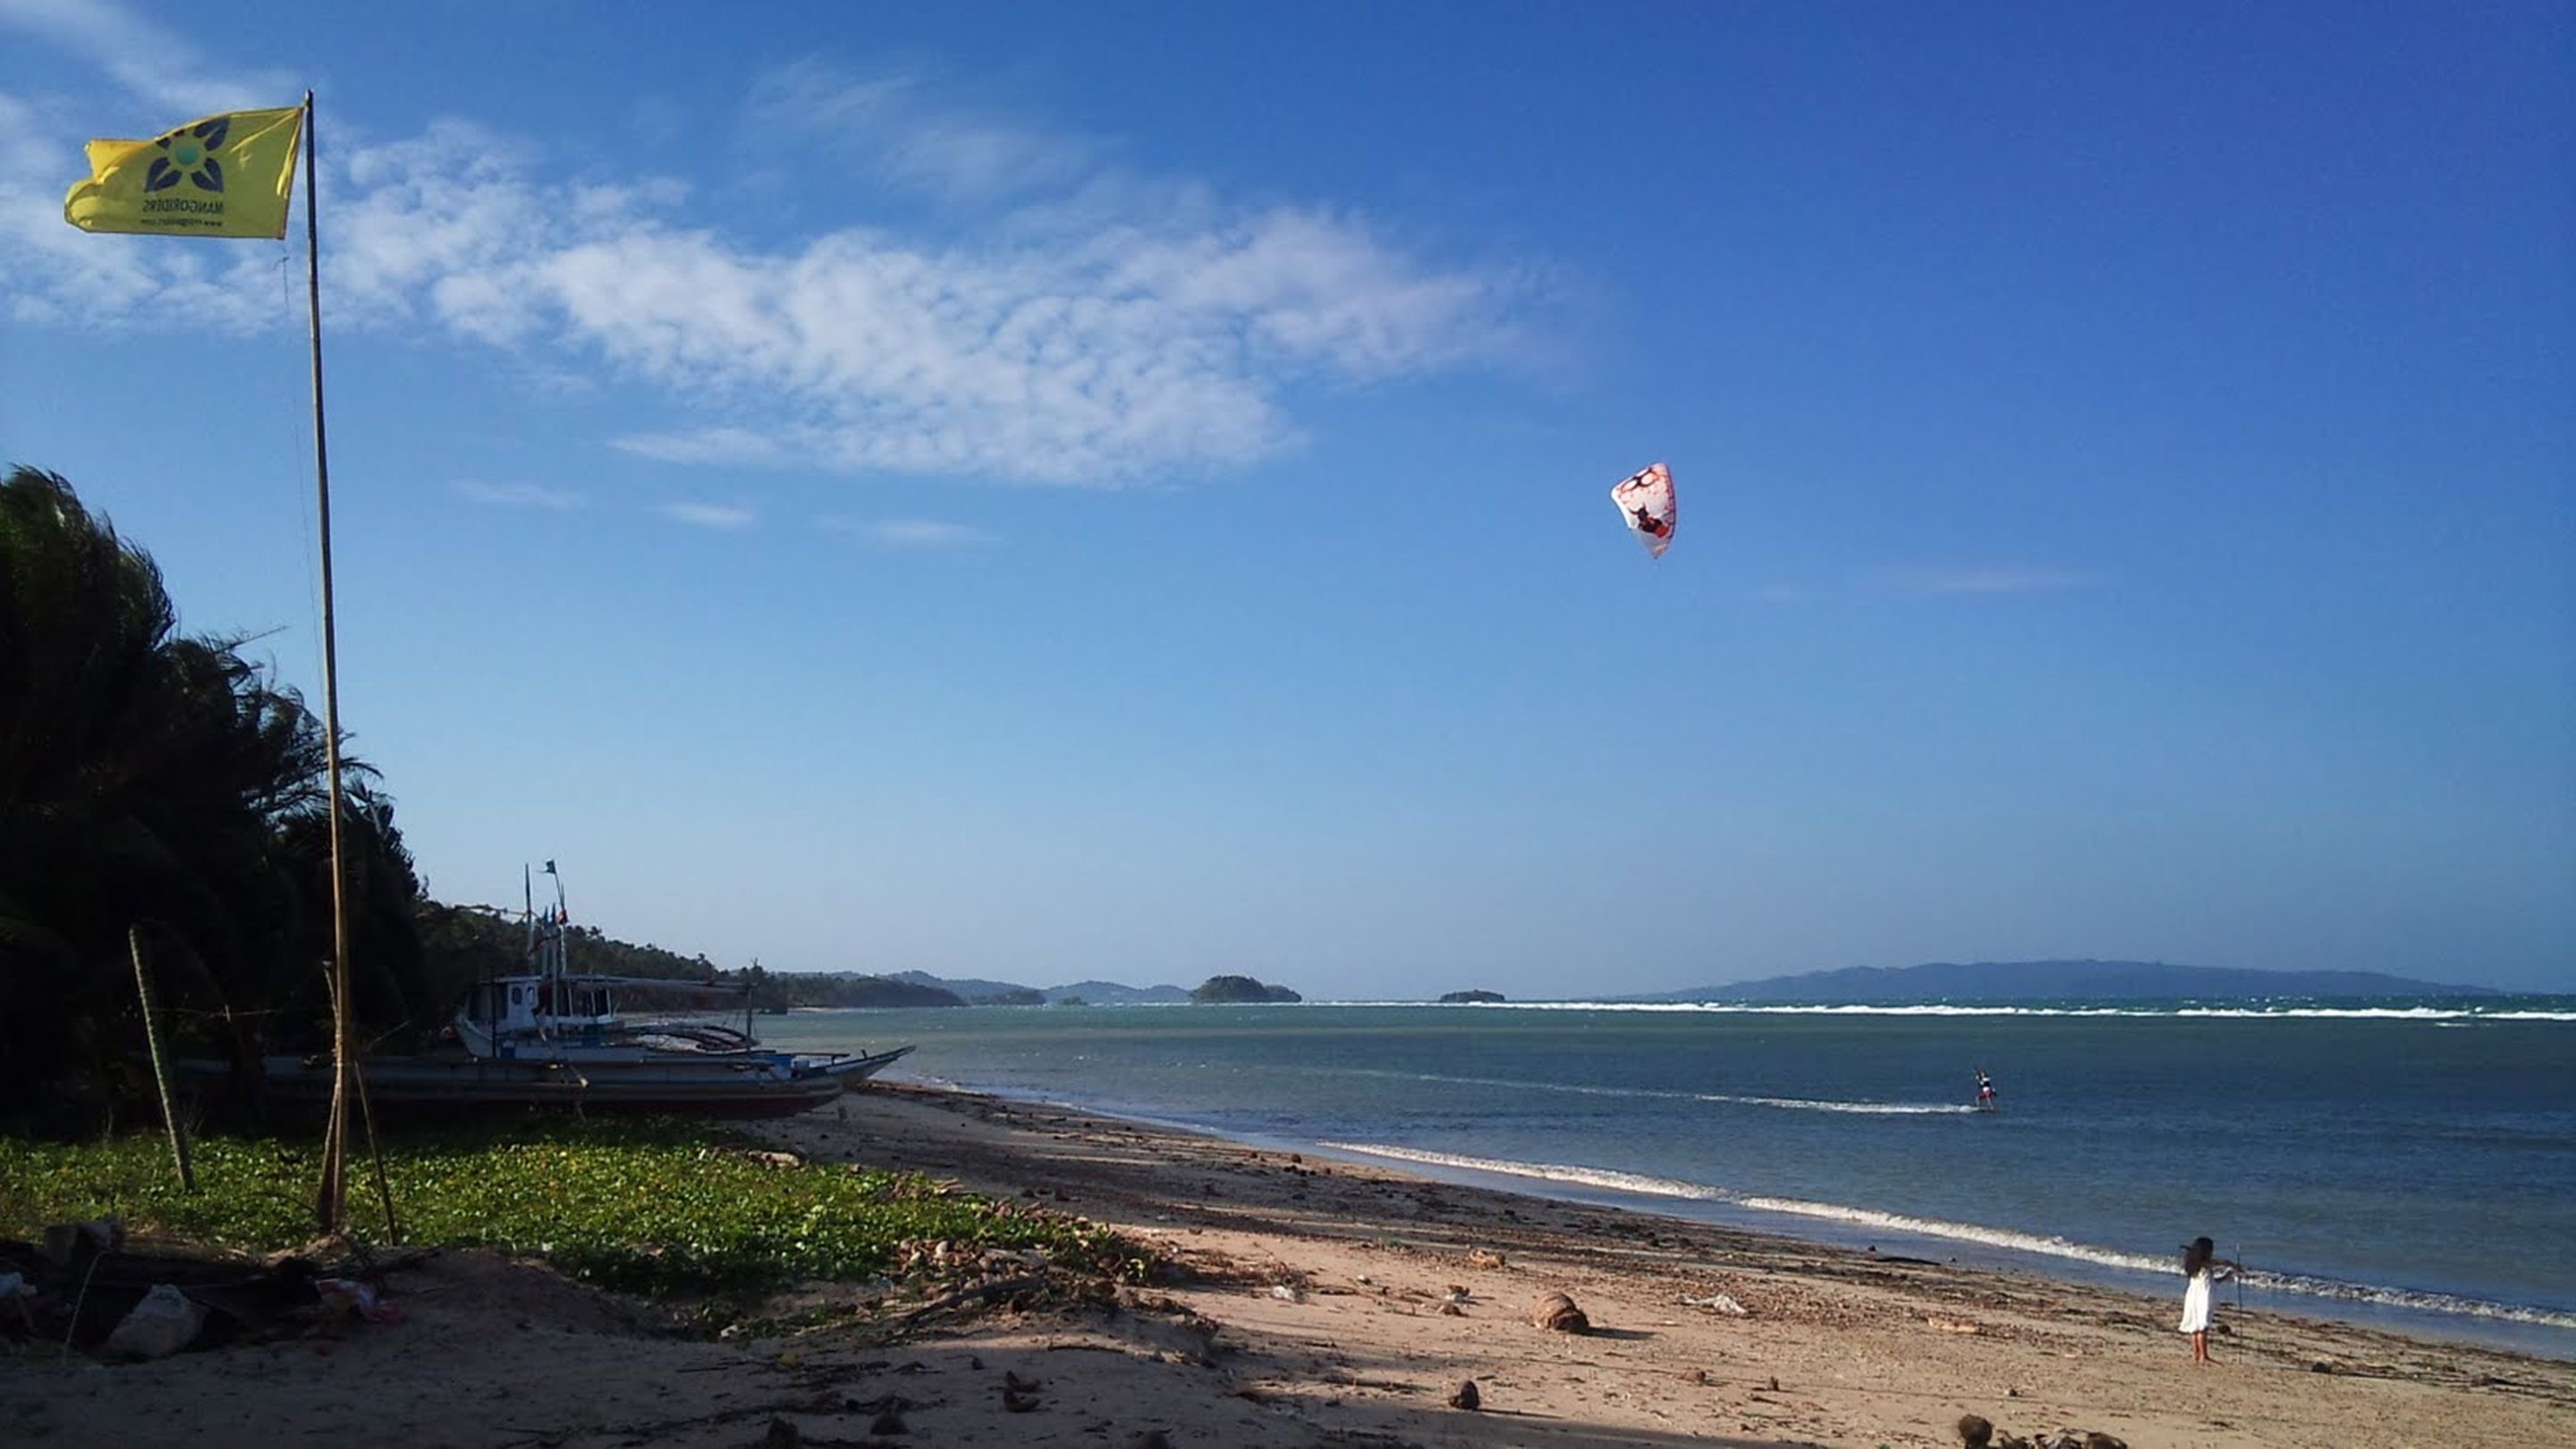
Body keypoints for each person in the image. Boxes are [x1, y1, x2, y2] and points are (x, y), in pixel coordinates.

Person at [2178, 1236, 2239, 1363]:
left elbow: (2212, 1281)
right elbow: (2218, 1264)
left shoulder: (2193, 1264)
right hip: (2203, 1297)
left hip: (2193, 1295)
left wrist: (2226, 1276)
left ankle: (2197, 1354)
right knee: (2202, 1326)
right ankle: (2203, 1355)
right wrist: (2231, 1264)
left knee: (2195, 1326)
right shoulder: (2204, 1264)